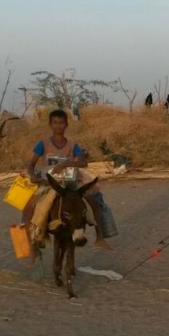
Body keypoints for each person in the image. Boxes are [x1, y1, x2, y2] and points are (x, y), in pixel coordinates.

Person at [20, 109, 111, 261]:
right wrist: (33, 175)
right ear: (50, 124)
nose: (58, 126)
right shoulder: (43, 143)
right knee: (29, 208)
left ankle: (99, 237)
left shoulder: (72, 145)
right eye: (55, 123)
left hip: (70, 183)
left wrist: (67, 163)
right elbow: (31, 164)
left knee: (93, 202)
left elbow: (83, 161)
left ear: (66, 125)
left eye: (61, 123)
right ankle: (32, 246)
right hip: (49, 183)